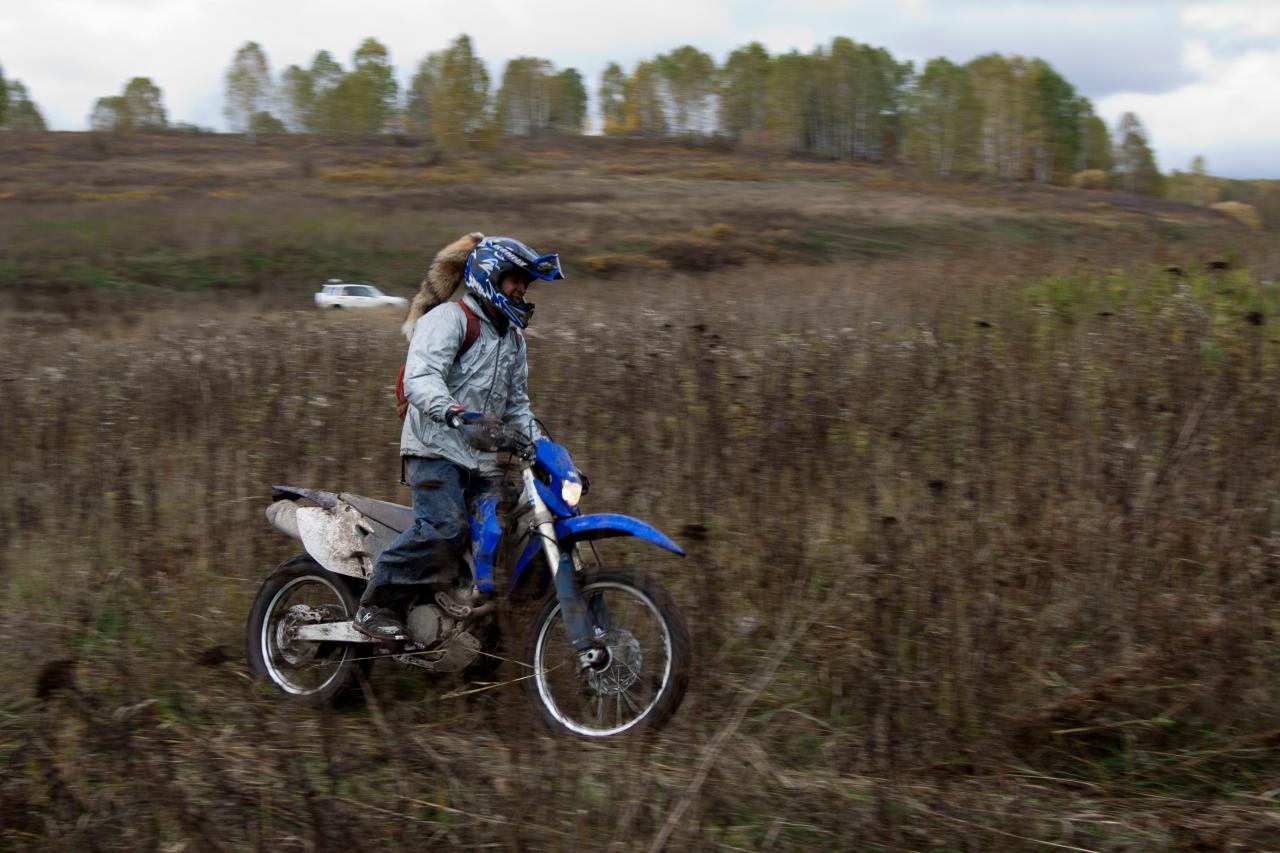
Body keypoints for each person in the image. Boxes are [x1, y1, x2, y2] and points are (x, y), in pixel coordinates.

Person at [354, 233, 564, 641]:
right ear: (490, 275)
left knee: (513, 527)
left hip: (480, 460)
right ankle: (375, 605)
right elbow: (420, 379)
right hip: (434, 450)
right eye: (515, 279)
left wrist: (548, 453)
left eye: (526, 282)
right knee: (445, 528)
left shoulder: (513, 339)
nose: (522, 289)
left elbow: (518, 407)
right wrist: (456, 413)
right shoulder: (450, 319)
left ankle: (471, 619)